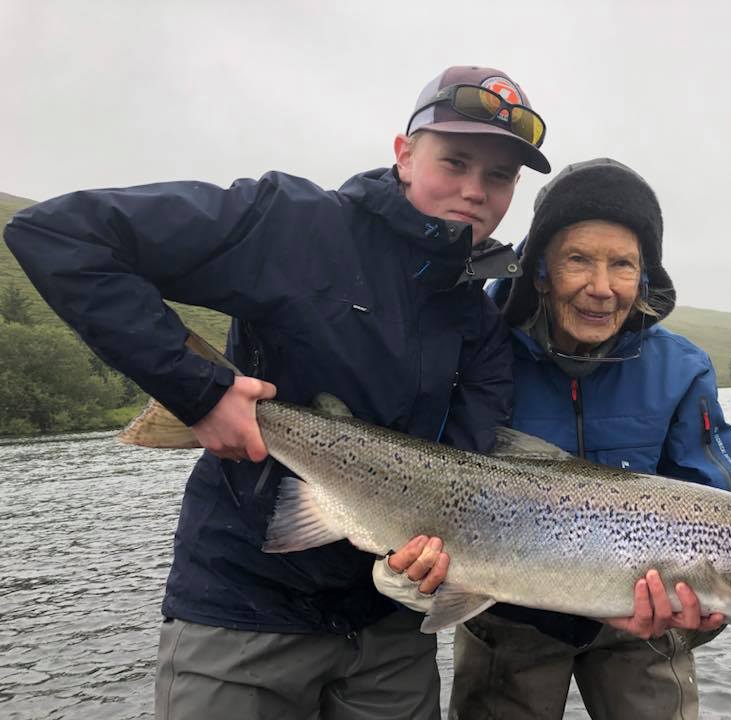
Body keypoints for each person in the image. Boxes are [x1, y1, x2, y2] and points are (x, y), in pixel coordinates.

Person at [3, 65, 550, 720]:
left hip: (388, 641)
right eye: (454, 161)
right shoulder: (292, 224)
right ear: (404, 155)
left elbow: (460, 477)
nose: (473, 191)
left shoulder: (480, 327)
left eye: (498, 178)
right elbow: (59, 234)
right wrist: (198, 391)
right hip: (241, 612)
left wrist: (439, 553)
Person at [443, 158, 731, 719]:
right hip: (507, 612)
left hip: (646, 627)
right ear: (540, 270)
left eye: (623, 265)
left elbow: (719, 510)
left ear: (644, 276)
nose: (601, 289)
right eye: (578, 259)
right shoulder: (480, 347)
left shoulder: (682, 369)